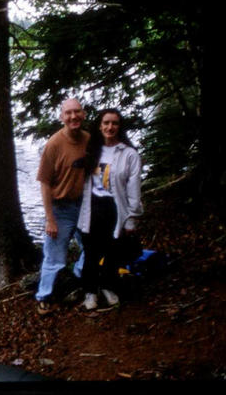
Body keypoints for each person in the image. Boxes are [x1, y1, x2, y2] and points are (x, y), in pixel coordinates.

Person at [77, 108, 143, 311]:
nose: (110, 127)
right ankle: (90, 293)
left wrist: (132, 218)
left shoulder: (129, 154)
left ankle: (108, 287)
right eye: (106, 123)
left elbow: (133, 189)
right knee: (90, 251)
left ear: (119, 126)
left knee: (114, 250)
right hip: (92, 207)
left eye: (114, 123)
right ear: (100, 125)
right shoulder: (91, 150)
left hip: (116, 208)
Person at [35, 98, 88, 315]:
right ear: (62, 117)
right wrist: (50, 218)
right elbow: (45, 183)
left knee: (92, 248)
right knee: (54, 257)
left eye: (77, 112)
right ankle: (44, 296)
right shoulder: (53, 145)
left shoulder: (89, 139)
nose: (73, 116)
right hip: (61, 209)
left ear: (83, 114)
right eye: (68, 113)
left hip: (85, 206)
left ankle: (77, 279)